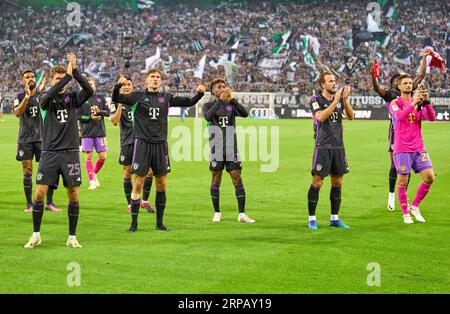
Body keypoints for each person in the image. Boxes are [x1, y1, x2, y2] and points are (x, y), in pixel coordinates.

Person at [112, 68, 205, 232]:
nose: (155, 79)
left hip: (160, 145)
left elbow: (189, 102)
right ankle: (133, 224)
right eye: (152, 77)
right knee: (138, 184)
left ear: (160, 81)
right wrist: (116, 86)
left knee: (161, 184)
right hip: (142, 144)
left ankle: (159, 223)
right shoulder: (136, 97)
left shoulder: (166, 98)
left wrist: (199, 94)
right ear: (146, 80)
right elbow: (116, 98)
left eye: (158, 77)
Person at [24, 53, 94, 248]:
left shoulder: (72, 98)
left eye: (63, 80)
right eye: (57, 80)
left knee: (73, 193)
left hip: (70, 152)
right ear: (51, 80)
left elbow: (88, 90)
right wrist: (67, 77)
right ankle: (36, 234)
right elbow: (49, 94)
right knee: (39, 193)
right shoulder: (44, 99)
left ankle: (72, 236)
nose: (61, 84)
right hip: (50, 153)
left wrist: (76, 71)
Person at [370, 49, 430, 211]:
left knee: (407, 170)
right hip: (395, 132)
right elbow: (376, 88)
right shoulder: (390, 94)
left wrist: (425, 58)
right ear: (395, 83)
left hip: (411, 131)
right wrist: (373, 76)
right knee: (394, 165)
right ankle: (391, 194)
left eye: (405, 80)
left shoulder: (410, 90)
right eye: (399, 80)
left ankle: (404, 196)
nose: (405, 82)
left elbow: (421, 74)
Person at [203, 78, 255, 223]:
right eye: (219, 87)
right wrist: (220, 100)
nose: (223, 88)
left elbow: (245, 114)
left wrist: (233, 100)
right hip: (216, 148)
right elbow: (208, 116)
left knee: (237, 179)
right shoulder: (208, 105)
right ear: (213, 91)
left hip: (232, 148)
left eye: (224, 86)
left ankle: (242, 214)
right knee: (216, 179)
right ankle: (217, 212)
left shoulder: (231, 105)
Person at [307, 72, 354, 229]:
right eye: (330, 81)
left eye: (335, 81)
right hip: (323, 146)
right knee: (317, 182)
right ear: (322, 85)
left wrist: (345, 99)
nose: (334, 83)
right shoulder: (316, 99)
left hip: (338, 146)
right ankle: (312, 219)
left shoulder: (339, 100)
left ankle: (334, 218)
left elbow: (351, 116)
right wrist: (335, 102)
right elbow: (319, 117)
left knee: (338, 182)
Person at [389, 75, 436, 224]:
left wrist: (426, 102)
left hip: (418, 148)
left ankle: (414, 207)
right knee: (403, 181)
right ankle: (405, 214)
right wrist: (414, 102)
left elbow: (431, 118)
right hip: (402, 148)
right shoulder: (395, 103)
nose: (409, 85)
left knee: (429, 177)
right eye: (405, 83)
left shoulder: (419, 103)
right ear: (399, 86)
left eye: (410, 83)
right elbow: (401, 116)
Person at [13, 69, 60, 213]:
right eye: (27, 77)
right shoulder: (19, 96)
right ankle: (29, 204)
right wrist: (27, 97)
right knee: (27, 170)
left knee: (49, 169)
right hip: (25, 139)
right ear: (22, 81)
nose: (30, 78)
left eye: (32, 76)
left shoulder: (42, 96)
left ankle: (49, 202)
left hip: (42, 138)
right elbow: (17, 113)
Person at [110, 76, 155, 213]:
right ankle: (130, 203)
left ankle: (145, 200)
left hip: (142, 140)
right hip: (127, 141)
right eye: (124, 85)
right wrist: (119, 104)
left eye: (129, 84)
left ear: (132, 86)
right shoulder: (115, 101)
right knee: (127, 172)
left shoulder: (138, 100)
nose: (126, 86)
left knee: (149, 172)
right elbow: (114, 121)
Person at [79, 77, 109, 190]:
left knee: (103, 157)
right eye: (88, 84)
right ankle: (91, 181)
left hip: (100, 132)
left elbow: (108, 112)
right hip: (87, 133)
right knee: (89, 157)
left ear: (95, 85)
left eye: (91, 84)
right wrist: (89, 117)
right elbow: (78, 116)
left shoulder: (101, 98)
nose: (90, 85)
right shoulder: (81, 99)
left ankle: (94, 173)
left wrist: (100, 112)